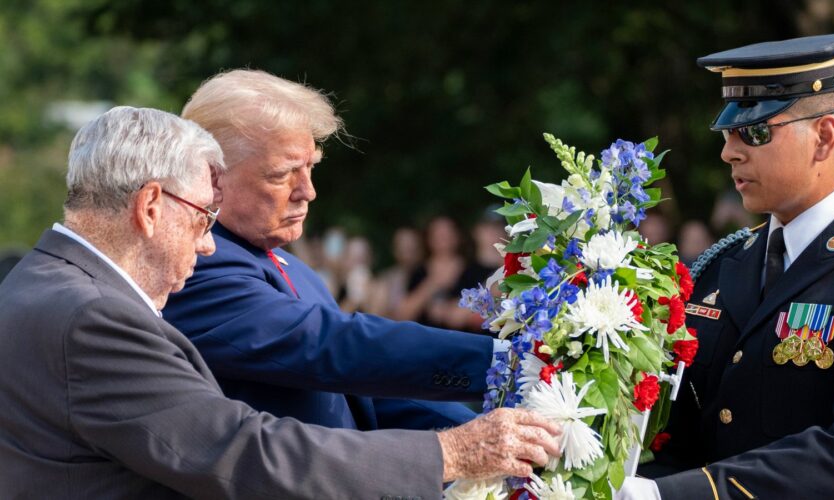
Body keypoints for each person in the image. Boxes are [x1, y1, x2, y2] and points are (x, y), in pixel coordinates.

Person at [0, 106, 562, 498]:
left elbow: (351, 395)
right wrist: (450, 454)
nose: (206, 242)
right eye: (202, 218)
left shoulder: (46, 286)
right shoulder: (91, 316)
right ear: (151, 206)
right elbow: (239, 452)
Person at [163, 71, 502, 432]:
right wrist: (503, 363)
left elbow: (366, 396)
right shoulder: (195, 264)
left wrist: (492, 436)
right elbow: (335, 347)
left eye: (311, 168)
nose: (307, 191)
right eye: (283, 174)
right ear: (211, 177)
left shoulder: (289, 265)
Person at [625, 34, 834, 499]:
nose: (729, 153)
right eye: (728, 133)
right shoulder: (722, 264)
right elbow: (673, 431)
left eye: (756, 132)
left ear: (824, 137)